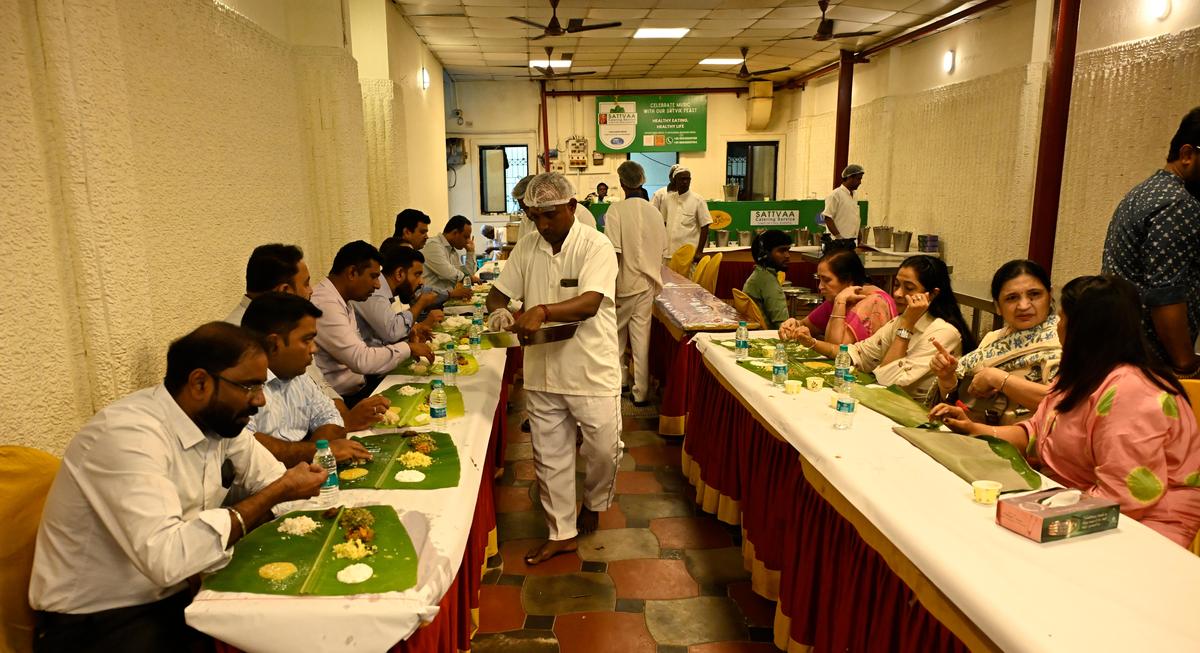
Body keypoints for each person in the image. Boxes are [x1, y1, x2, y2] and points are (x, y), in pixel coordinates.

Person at [28, 323, 328, 652]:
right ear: (199, 382)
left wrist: (294, 496)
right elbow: (168, 559)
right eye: (249, 386)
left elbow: (273, 480)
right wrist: (276, 494)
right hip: (99, 621)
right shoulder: (128, 435)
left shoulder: (219, 422)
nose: (260, 400)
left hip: (178, 592)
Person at [931, 275, 1200, 548]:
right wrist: (975, 430)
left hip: (1139, 529)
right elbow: (1037, 431)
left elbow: (1124, 496)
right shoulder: (1082, 371)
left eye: (1061, 318)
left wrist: (1037, 512)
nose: (1056, 326)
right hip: (1070, 500)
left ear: (1082, 329)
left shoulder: (1132, 392)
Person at [485, 173, 621, 565]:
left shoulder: (595, 245)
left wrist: (541, 310)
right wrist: (498, 312)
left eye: (550, 215)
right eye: (534, 217)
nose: (542, 225)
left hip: (591, 368)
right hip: (543, 368)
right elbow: (500, 293)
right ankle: (561, 532)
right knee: (550, 455)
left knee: (604, 449)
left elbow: (591, 302)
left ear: (572, 208)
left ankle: (595, 502)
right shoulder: (528, 247)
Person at [225, 243, 387, 431]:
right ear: (285, 291)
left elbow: (319, 387)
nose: (311, 291)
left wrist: (344, 420)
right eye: (306, 283)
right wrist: (343, 424)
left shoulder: (292, 324)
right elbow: (248, 441)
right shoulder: (237, 340)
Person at [785, 255, 976, 399]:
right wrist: (811, 342)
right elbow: (857, 354)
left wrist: (907, 325)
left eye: (909, 288)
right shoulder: (902, 320)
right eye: (897, 285)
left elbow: (889, 382)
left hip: (917, 416)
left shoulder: (942, 332)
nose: (898, 294)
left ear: (932, 295)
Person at [1102, 107, 1200, 375]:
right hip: (1152, 364)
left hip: (1120, 352)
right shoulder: (1178, 204)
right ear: (1188, 155)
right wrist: (1186, 363)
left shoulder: (1145, 191)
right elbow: (1165, 293)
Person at [242, 293, 374, 465]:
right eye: (307, 340)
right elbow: (248, 447)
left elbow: (331, 418)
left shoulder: (298, 374)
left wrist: (313, 455)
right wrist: (316, 453)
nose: (314, 349)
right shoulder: (239, 386)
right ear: (274, 344)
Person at [928, 259, 1061, 422]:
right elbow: (960, 399)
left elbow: (1061, 402)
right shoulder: (993, 338)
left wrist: (997, 379)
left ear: (1050, 295)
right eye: (1012, 298)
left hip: (1027, 442)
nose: (1024, 305)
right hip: (978, 432)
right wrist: (947, 378)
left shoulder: (1063, 338)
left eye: (1034, 294)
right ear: (998, 306)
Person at [311, 240, 434, 406]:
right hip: (341, 401)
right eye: (374, 277)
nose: (377, 285)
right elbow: (361, 359)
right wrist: (408, 348)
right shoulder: (325, 303)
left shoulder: (343, 298)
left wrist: (407, 342)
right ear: (352, 273)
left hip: (360, 388)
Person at [605, 161, 668, 406]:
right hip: (649, 283)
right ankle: (641, 392)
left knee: (616, 337)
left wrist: (608, 286)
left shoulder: (615, 211)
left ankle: (618, 382)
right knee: (641, 338)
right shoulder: (655, 212)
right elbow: (663, 250)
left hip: (624, 284)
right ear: (641, 181)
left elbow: (615, 253)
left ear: (622, 183)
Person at [780, 248, 896, 345]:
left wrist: (840, 302)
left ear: (848, 280)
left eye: (827, 280)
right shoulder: (838, 296)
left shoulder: (874, 302)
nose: (820, 286)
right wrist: (793, 324)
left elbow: (837, 350)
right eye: (819, 279)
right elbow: (806, 325)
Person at [354, 241, 441, 346]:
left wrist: (412, 332)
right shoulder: (374, 292)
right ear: (399, 273)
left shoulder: (388, 292)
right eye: (417, 274)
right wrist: (421, 303)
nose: (421, 281)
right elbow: (392, 332)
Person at [659, 167, 712, 262]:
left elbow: (705, 226)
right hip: (668, 254)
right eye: (682, 179)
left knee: (686, 278)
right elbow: (663, 224)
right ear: (675, 181)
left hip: (688, 256)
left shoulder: (698, 200)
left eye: (687, 179)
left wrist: (699, 251)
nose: (685, 182)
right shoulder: (667, 199)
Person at [743, 230, 792, 329]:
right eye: (782, 251)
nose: (787, 256)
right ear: (764, 254)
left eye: (788, 250)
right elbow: (783, 326)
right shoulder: (768, 282)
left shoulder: (759, 274)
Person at [423, 215, 479, 296]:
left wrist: (470, 252)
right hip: (431, 302)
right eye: (466, 237)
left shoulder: (452, 251)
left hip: (445, 298)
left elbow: (467, 275)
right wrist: (468, 278)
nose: (468, 241)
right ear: (455, 233)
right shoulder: (433, 245)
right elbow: (447, 273)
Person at [821, 164, 865, 250]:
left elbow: (853, 217)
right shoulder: (835, 195)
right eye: (858, 179)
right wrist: (839, 238)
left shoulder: (855, 195)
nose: (860, 182)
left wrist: (858, 234)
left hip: (851, 242)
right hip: (837, 243)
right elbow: (828, 218)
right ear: (849, 178)